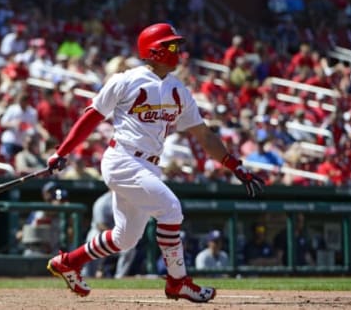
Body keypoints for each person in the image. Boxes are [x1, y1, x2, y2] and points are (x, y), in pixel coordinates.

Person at [46, 23, 264, 303]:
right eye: (171, 46)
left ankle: (69, 262)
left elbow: (203, 134)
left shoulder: (178, 89)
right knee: (171, 210)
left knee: (125, 239)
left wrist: (234, 165)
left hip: (148, 165)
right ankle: (178, 282)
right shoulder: (125, 79)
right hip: (123, 158)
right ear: (154, 50)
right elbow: (92, 116)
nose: (178, 52)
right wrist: (62, 152)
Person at [82, 190, 136, 279]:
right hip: (100, 233)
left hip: (119, 235)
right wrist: (116, 236)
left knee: (129, 248)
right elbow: (100, 225)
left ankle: (119, 278)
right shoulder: (102, 202)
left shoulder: (127, 201)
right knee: (93, 240)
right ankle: (88, 275)